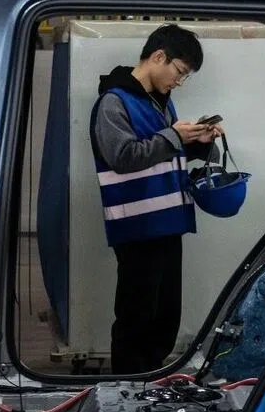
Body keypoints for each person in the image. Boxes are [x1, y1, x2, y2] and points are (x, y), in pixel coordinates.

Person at [90, 24, 221, 375]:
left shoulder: (161, 102)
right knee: (137, 314)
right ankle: (128, 383)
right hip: (137, 227)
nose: (180, 81)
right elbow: (123, 157)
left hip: (167, 223)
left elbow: (164, 152)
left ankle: (152, 378)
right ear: (159, 57)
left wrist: (199, 141)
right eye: (180, 71)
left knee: (165, 315)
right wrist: (174, 136)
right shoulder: (114, 102)